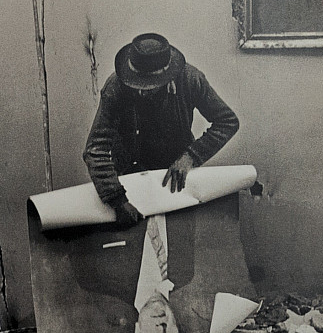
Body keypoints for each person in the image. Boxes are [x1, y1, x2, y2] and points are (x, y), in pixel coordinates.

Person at [83, 33, 239, 228]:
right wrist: (117, 199)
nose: (141, 91)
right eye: (136, 83)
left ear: (168, 77)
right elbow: (95, 150)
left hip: (173, 180)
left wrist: (191, 157)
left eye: (148, 86)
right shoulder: (115, 87)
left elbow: (227, 121)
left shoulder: (190, 79)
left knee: (178, 241)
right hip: (127, 181)